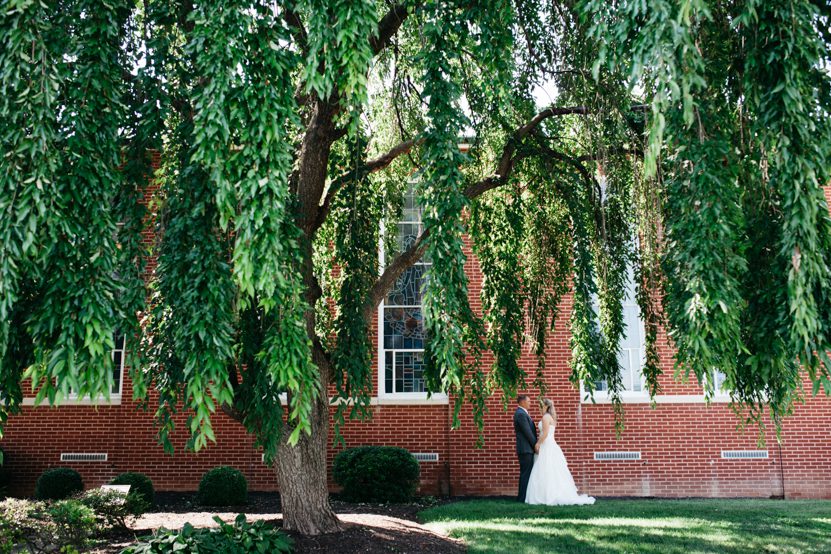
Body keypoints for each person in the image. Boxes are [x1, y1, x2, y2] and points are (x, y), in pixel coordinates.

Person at [525, 398, 595, 506]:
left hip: (546, 444)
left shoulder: (545, 417)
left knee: (545, 469)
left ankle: (546, 496)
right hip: (551, 444)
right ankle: (549, 494)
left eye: (541, 405)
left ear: (546, 406)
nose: (539, 407)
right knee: (550, 469)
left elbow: (545, 433)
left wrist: (538, 444)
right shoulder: (551, 417)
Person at [513, 394, 537, 502]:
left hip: (526, 448)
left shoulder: (522, 413)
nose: (530, 403)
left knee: (526, 473)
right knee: (525, 474)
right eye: (529, 401)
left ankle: (524, 497)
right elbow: (528, 433)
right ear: (522, 402)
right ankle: (522, 498)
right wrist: (535, 445)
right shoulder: (521, 414)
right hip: (525, 449)